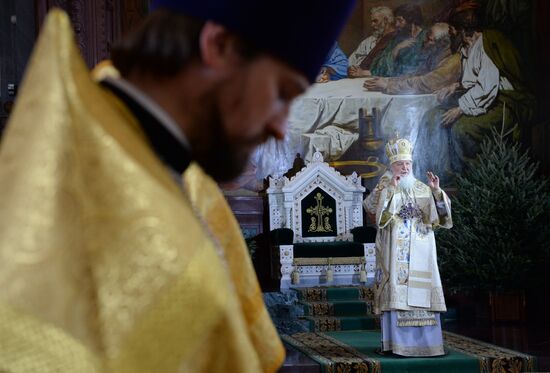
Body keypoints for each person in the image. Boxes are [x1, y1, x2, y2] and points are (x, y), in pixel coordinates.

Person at [0, 0, 356, 371]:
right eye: (282, 93)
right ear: (218, 46)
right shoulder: (75, 178)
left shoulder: (176, 169)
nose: (281, 127)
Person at [417, 3, 535, 181]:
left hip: (504, 102)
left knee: (462, 129)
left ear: (462, 30)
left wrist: (460, 109)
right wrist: (455, 86)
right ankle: (440, 175)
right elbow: (473, 79)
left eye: (453, 31)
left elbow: (487, 86)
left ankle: (471, 181)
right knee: (431, 117)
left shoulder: (488, 43)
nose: (451, 35)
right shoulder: (467, 46)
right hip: (481, 97)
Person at [363, 138, 452, 357]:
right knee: (398, 292)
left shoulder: (423, 188)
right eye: (400, 164)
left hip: (422, 249)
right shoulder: (386, 187)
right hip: (396, 252)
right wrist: (391, 192)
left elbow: (440, 218)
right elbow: (380, 219)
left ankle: (429, 345)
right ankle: (398, 345)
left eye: (408, 164)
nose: (405, 167)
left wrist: (437, 192)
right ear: (391, 166)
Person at [363, 23, 461, 95]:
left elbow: (423, 83)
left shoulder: (453, 62)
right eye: (426, 37)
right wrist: (389, 81)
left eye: (430, 40)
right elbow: (415, 75)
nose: (424, 41)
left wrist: (388, 86)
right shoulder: (435, 57)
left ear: (442, 45)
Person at [348, 6, 396, 78]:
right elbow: (351, 60)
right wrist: (351, 69)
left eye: (375, 21)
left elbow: (391, 69)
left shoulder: (396, 39)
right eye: (372, 21)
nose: (372, 24)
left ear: (385, 20)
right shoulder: (369, 41)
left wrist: (363, 73)